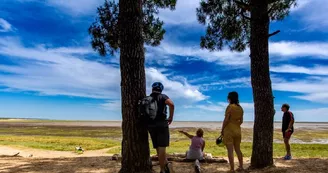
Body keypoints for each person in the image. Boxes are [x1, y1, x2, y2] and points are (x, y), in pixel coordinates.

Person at [147, 82, 175, 173]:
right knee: (162, 147)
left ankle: (165, 163)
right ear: (161, 89)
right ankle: (162, 170)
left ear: (152, 89)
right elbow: (171, 105)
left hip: (150, 125)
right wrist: (170, 117)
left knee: (158, 148)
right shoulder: (163, 97)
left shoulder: (148, 98)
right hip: (162, 125)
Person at [221, 91, 244, 172]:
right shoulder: (240, 108)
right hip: (238, 130)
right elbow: (241, 121)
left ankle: (232, 169)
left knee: (230, 150)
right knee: (238, 149)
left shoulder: (230, 107)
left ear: (229, 98)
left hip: (229, 130)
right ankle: (241, 167)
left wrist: (222, 129)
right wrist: (235, 123)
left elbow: (226, 119)